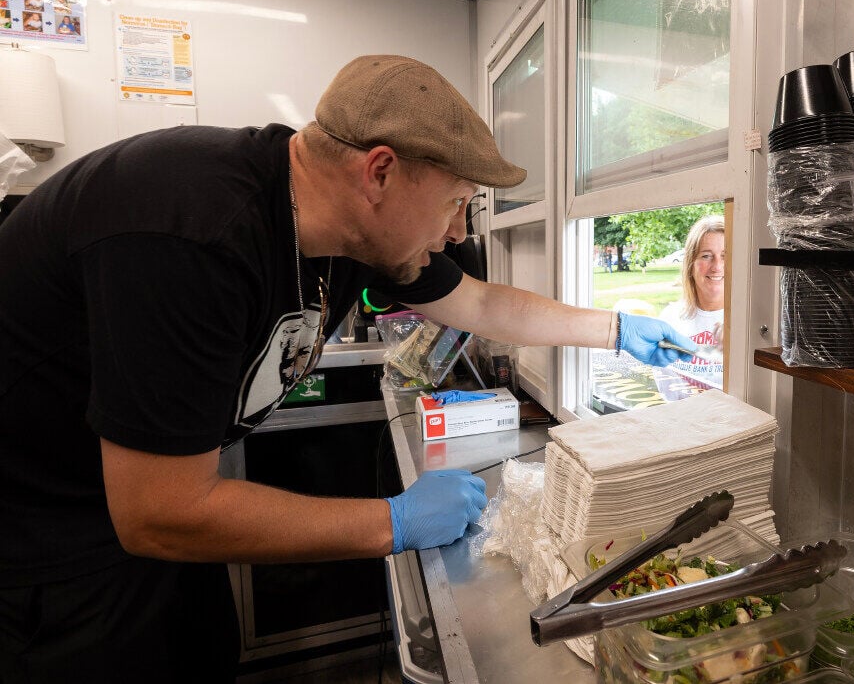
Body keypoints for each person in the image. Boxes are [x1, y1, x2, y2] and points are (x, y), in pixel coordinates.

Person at [0, 54, 693, 683]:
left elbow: (479, 302)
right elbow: (160, 511)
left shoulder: (346, 227)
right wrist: (390, 520)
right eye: (455, 201)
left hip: (148, 532)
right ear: (381, 172)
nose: (458, 231)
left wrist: (616, 328)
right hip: (51, 550)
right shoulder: (191, 231)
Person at [656, 214, 726, 398]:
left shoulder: (746, 325)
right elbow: (664, 388)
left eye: (725, 256)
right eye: (706, 256)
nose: (717, 266)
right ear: (690, 264)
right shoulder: (669, 319)